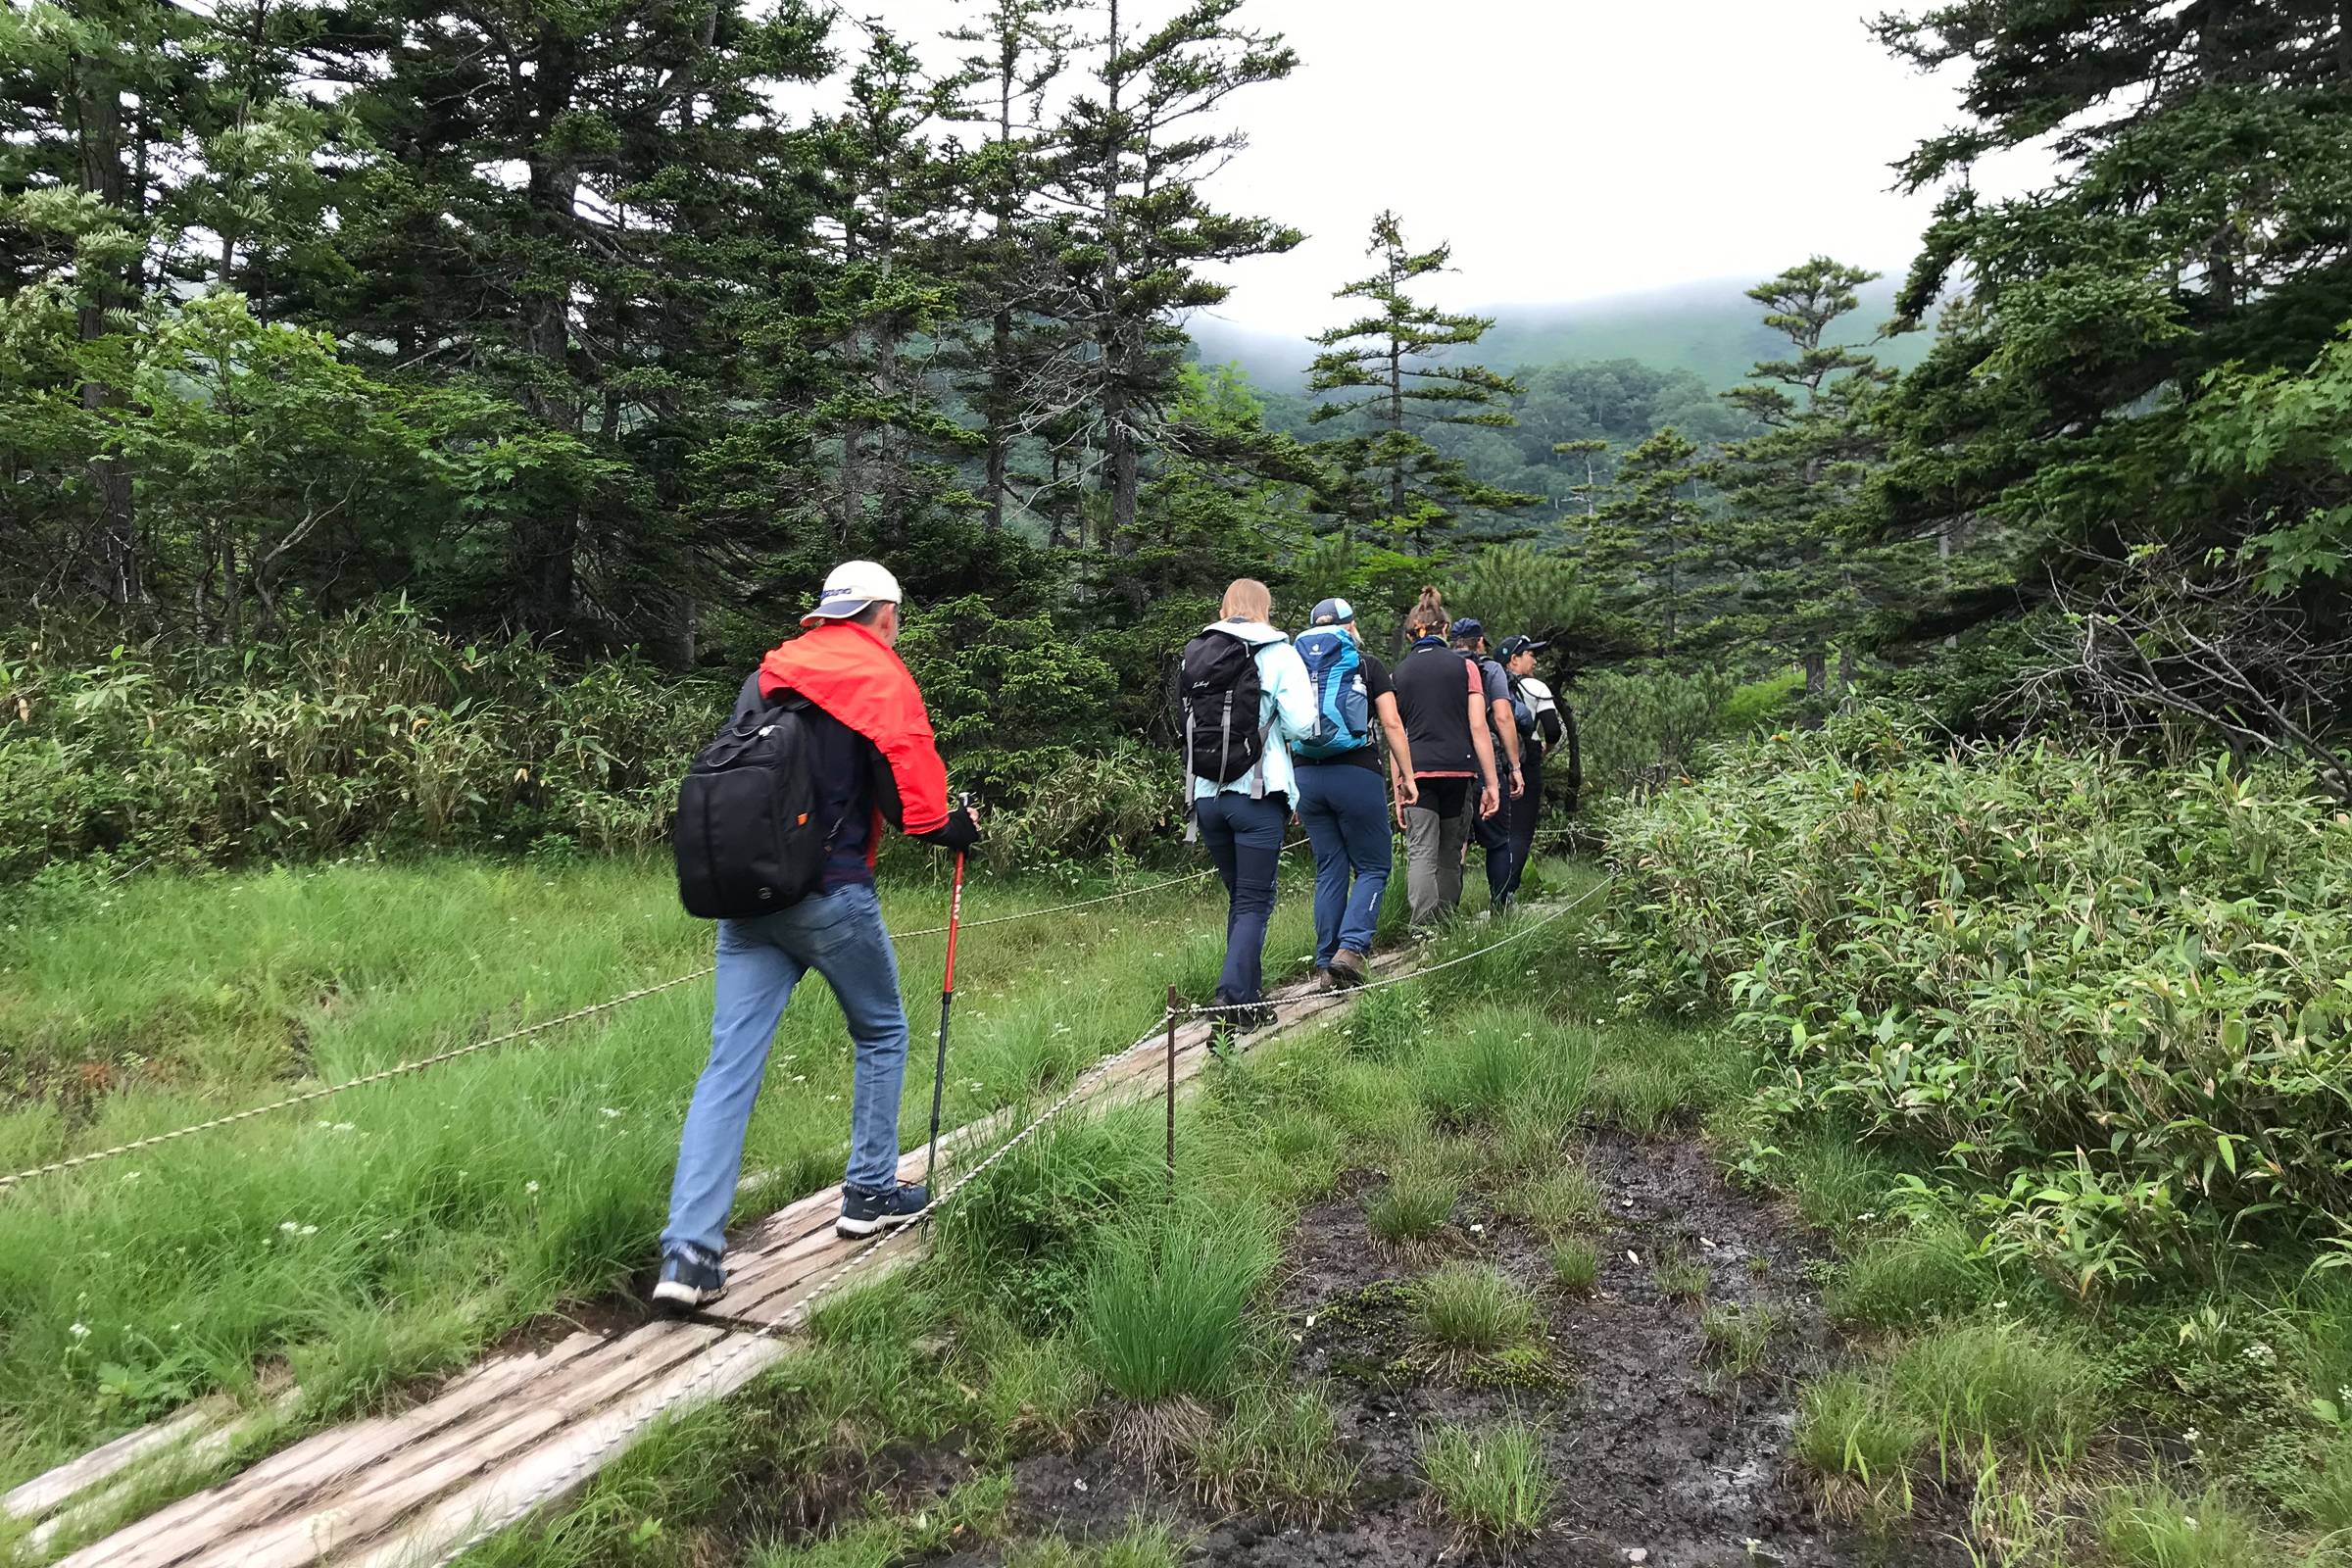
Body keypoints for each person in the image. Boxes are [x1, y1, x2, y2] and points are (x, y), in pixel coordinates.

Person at [654, 561, 982, 1311]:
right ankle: (866, 1194)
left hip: (749, 898)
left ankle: (689, 1253)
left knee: (728, 1067)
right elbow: (919, 809)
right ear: (885, 615)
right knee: (881, 1031)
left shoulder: (771, 673)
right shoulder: (881, 678)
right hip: (831, 895)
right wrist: (959, 828)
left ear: (824, 614)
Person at [1183, 578, 1316, 1030]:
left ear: (1224, 606)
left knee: (1242, 899)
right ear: (1265, 607)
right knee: (1254, 900)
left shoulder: (1198, 651)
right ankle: (1232, 996)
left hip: (1206, 797)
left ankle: (1250, 1000)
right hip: (1258, 792)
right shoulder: (1277, 652)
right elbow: (1302, 724)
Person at [1291, 597, 1416, 990]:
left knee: (1330, 867)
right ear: (1351, 626)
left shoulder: (1294, 666)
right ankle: (1353, 949)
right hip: (1356, 772)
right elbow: (1392, 723)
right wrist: (1408, 776)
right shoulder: (1366, 665)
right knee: (1374, 866)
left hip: (1305, 777)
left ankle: (1327, 960)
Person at [1389, 588, 1500, 931]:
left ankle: (1423, 927)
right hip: (1458, 769)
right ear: (1446, 629)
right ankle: (1447, 924)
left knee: (1421, 850)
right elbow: (1479, 726)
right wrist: (1492, 782)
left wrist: (1398, 787)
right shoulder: (1466, 668)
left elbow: (1397, 734)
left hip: (1417, 773)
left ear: (1412, 633)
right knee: (1450, 852)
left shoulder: (1399, 674)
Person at [1449, 617, 1524, 915]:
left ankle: (1447, 912)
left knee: (1457, 842)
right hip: (1484, 763)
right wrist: (1515, 765)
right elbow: (1504, 716)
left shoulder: (1444, 666)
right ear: (1480, 641)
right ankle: (1500, 906)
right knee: (1497, 840)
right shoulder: (1490, 669)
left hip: (1451, 761)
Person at [1496, 633, 1575, 903]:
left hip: (1492, 759)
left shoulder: (1487, 685)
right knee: (1519, 830)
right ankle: (1505, 895)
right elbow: (1552, 729)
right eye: (1530, 654)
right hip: (1525, 759)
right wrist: (1545, 750)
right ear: (1514, 660)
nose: (1535, 660)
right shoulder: (1535, 687)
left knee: (1496, 833)